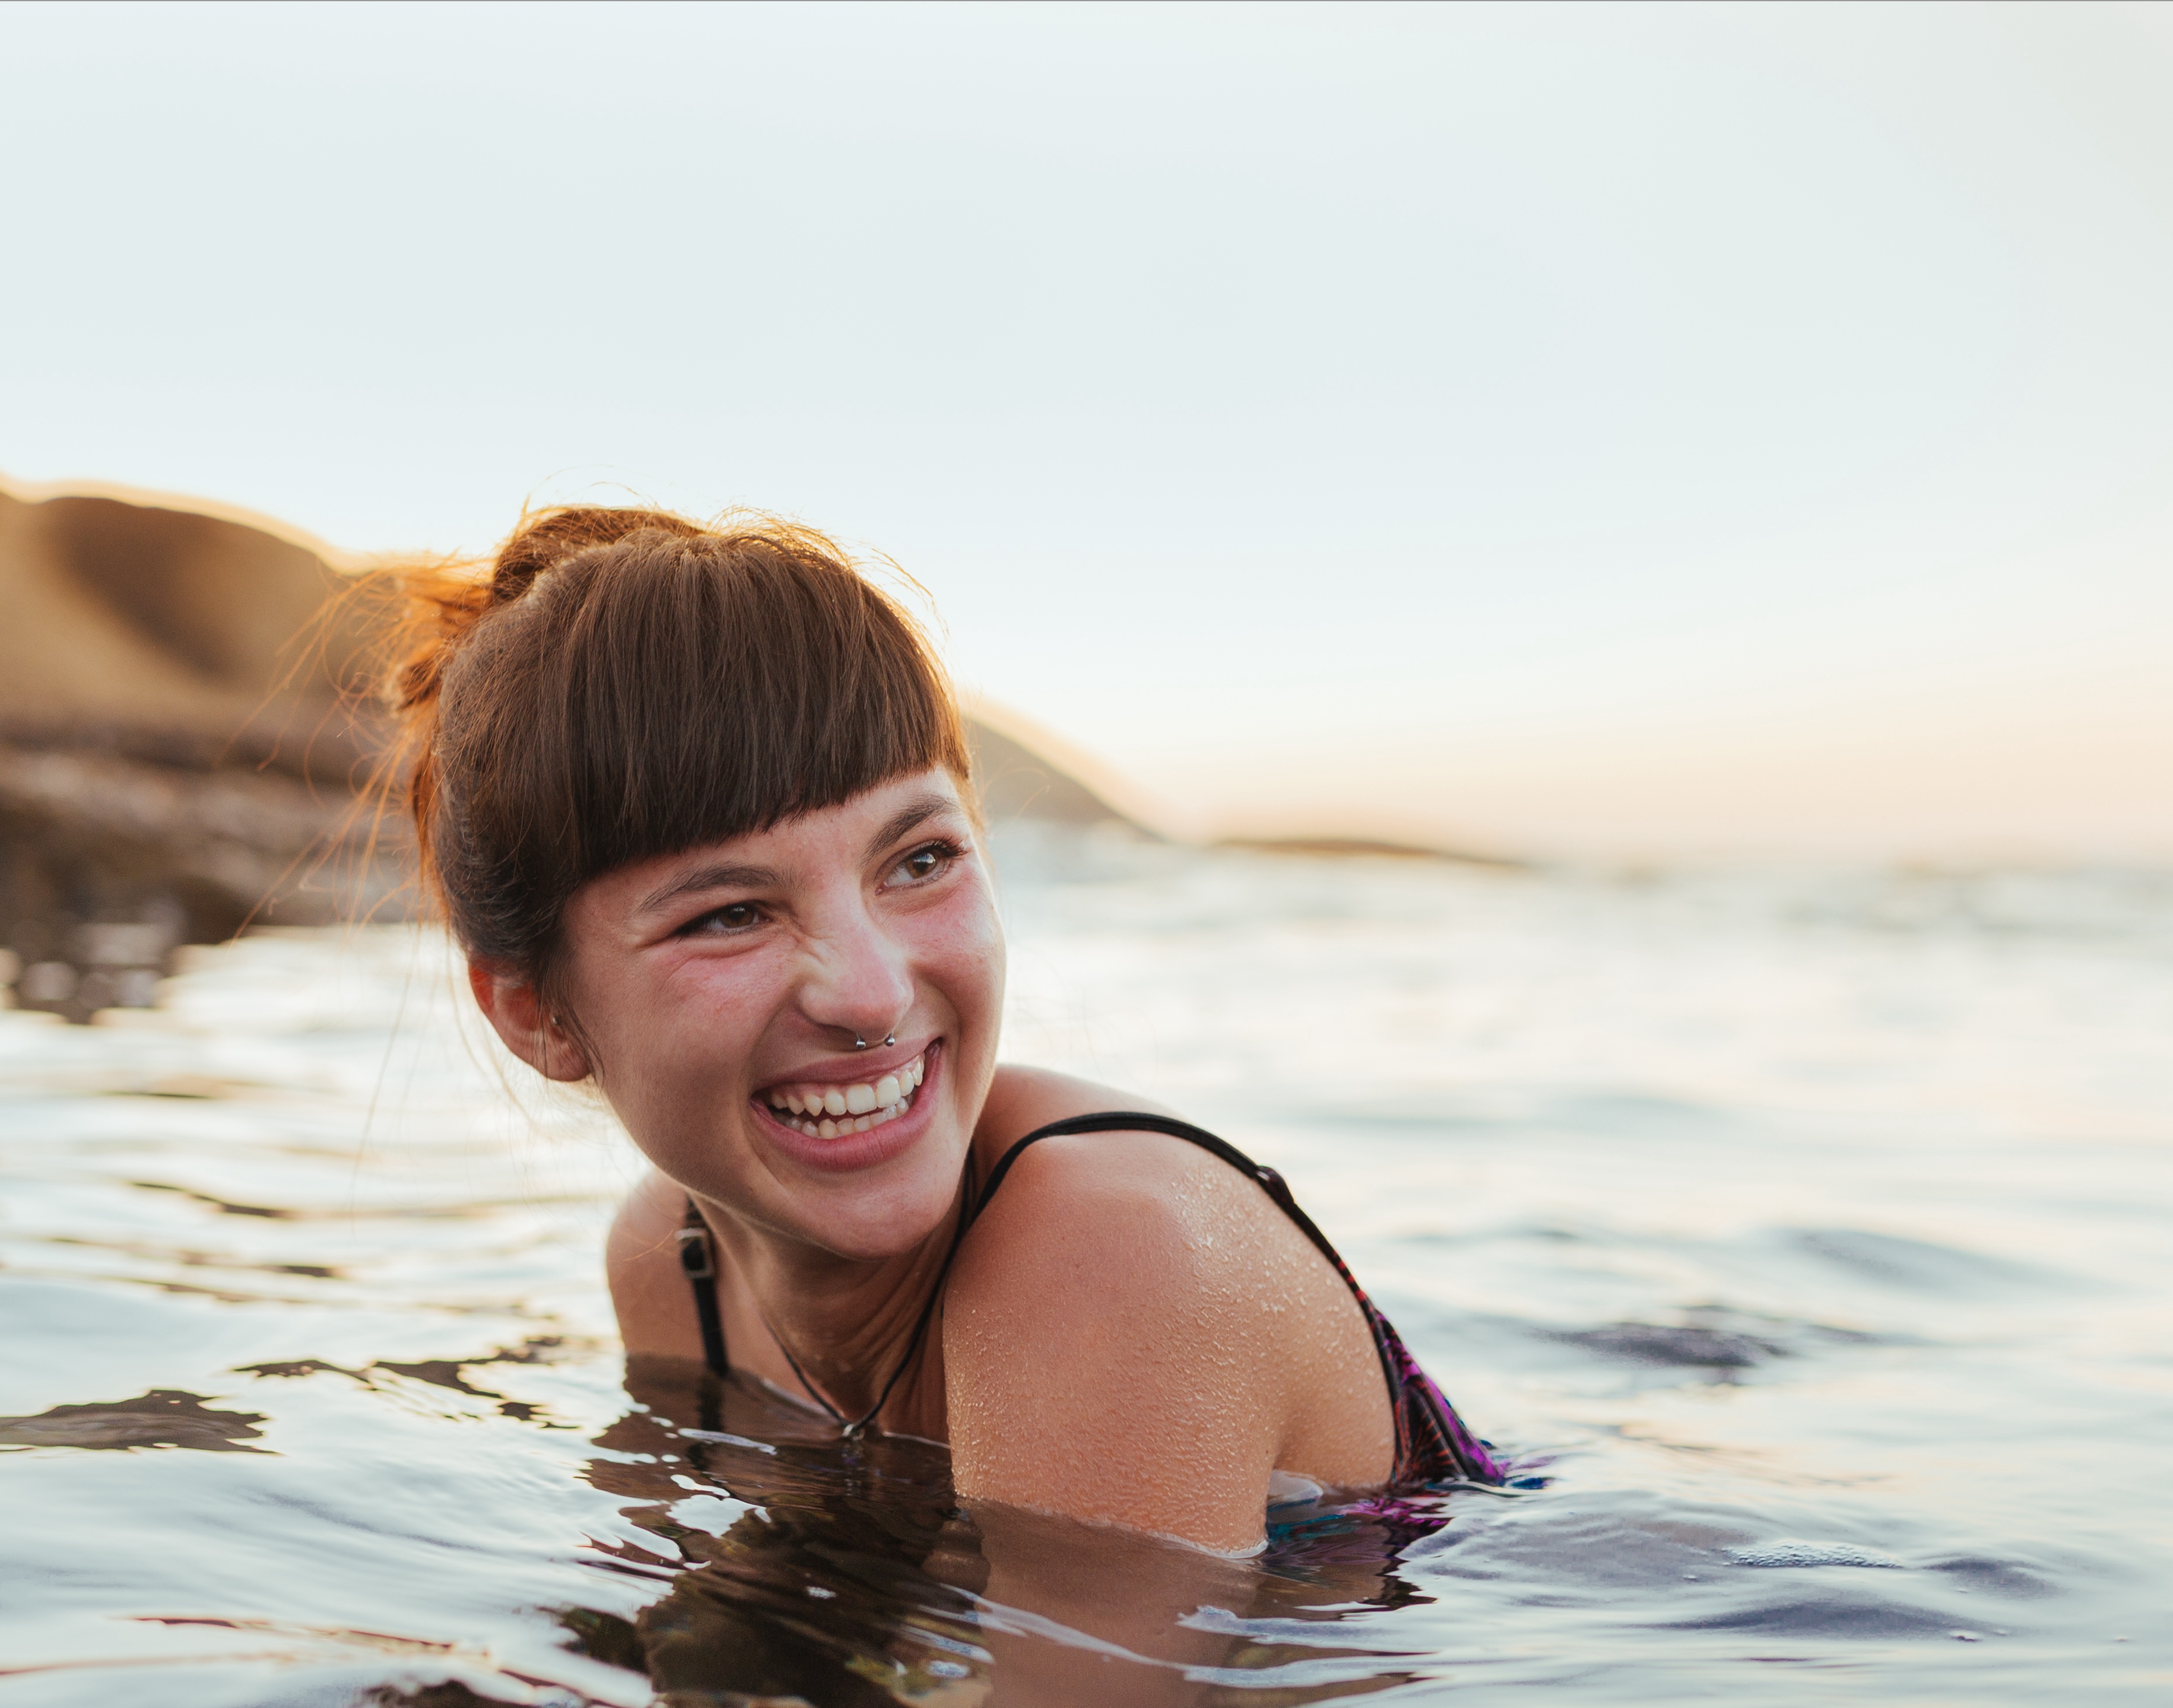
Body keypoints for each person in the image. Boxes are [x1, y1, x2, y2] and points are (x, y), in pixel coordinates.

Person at [380, 504, 1498, 1558]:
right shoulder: (673, 1267)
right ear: (537, 1015)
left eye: (920, 860)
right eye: (730, 914)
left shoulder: (1108, 1255)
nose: (868, 994)